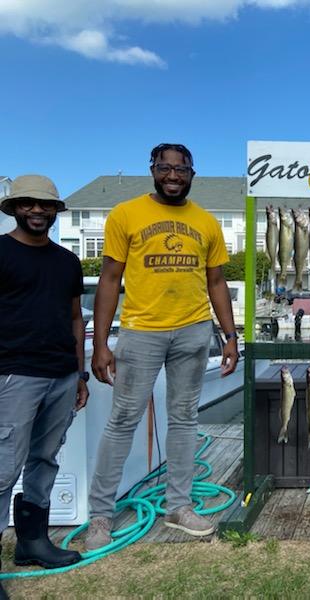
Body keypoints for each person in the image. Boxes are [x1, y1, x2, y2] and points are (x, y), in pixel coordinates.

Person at [85, 144, 239, 550]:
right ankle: (100, 515)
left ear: (192, 173)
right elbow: (108, 280)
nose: (173, 175)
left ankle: (179, 505)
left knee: (185, 419)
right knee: (123, 420)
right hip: (141, 332)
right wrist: (101, 343)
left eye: (181, 169)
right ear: (153, 170)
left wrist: (230, 336)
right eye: (165, 168)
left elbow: (217, 282)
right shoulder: (126, 214)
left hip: (192, 330)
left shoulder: (206, 222)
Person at [0, 175, 85, 591]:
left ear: (55, 211)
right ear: (15, 207)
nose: (37, 210)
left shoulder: (67, 260)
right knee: (2, 469)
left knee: (45, 459)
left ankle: (32, 541)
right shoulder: (0, 251)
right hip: (13, 374)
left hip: (62, 374)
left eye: (46, 205)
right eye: (29, 204)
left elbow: (75, 318)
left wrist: (80, 374)